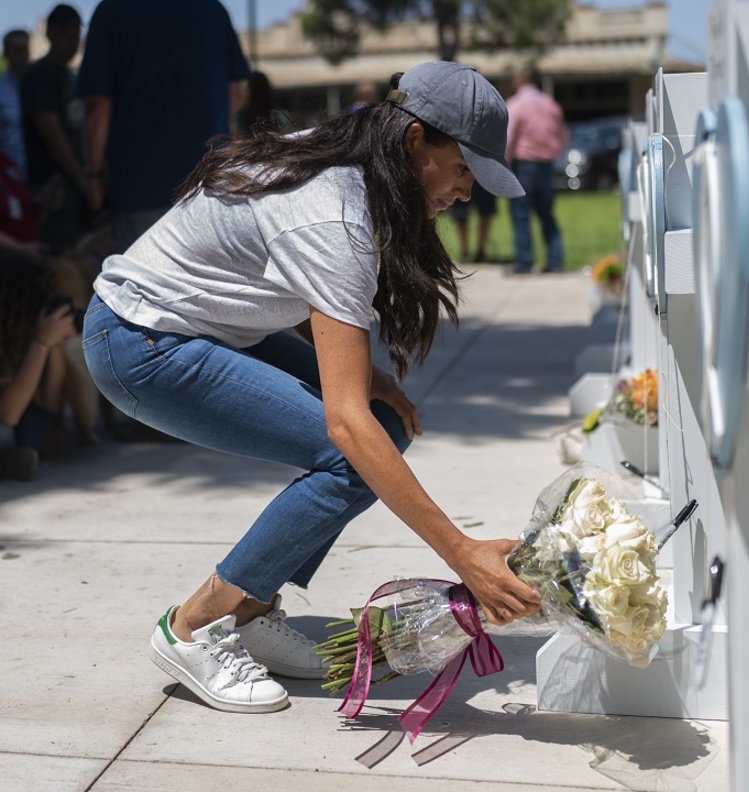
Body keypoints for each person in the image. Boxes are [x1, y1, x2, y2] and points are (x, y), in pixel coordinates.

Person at [81, 61, 539, 714]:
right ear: (415, 140)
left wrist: (363, 372)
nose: (467, 192)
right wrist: (462, 553)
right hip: (139, 342)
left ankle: (251, 610)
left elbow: (265, 268)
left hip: (187, 322)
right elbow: (345, 426)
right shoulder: (337, 216)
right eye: (464, 169)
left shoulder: (344, 160)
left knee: (371, 426)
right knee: (354, 452)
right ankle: (193, 628)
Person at [77, 0, 250, 253]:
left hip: (139, 189)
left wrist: (93, 179)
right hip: (211, 187)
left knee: (145, 286)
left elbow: (98, 109)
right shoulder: (212, 10)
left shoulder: (110, 11)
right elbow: (234, 97)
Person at [0, 256, 79, 480]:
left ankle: (12, 457)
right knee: (5, 431)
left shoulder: (15, 341)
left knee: (36, 416)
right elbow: (7, 415)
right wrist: (41, 342)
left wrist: (52, 345)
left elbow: (49, 403)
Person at [20, 4, 88, 249]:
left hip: (76, 184)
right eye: (66, 34)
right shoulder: (40, 74)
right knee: (58, 261)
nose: (72, 42)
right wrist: (81, 179)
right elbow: (50, 130)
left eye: (76, 35)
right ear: (50, 34)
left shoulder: (72, 76)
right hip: (52, 187)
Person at [505, 63, 568, 274]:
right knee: (546, 214)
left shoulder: (516, 105)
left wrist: (504, 163)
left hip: (524, 165)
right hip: (547, 165)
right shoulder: (551, 104)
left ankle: (524, 262)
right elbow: (563, 136)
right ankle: (556, 260)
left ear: (518, 81)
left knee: (520, 214)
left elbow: (509, 137)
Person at [0, 28, 31, 176]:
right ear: (6, 54)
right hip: (11, 174)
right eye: (17, 51)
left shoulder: (40, 85)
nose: (22, 56)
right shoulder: (2, 91)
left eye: (25, 50)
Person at [447, 180, 497, 263]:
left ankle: (480, 252)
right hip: (465, 172)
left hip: (484, 176)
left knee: (485, 213)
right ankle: (465, 252)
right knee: (461, 215)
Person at [233, 71, 290, 138]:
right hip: (276, 147)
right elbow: (287, 136)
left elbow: (237, 140)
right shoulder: (281, 115)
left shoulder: (241, 117)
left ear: (248, 92)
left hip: (250, 148)